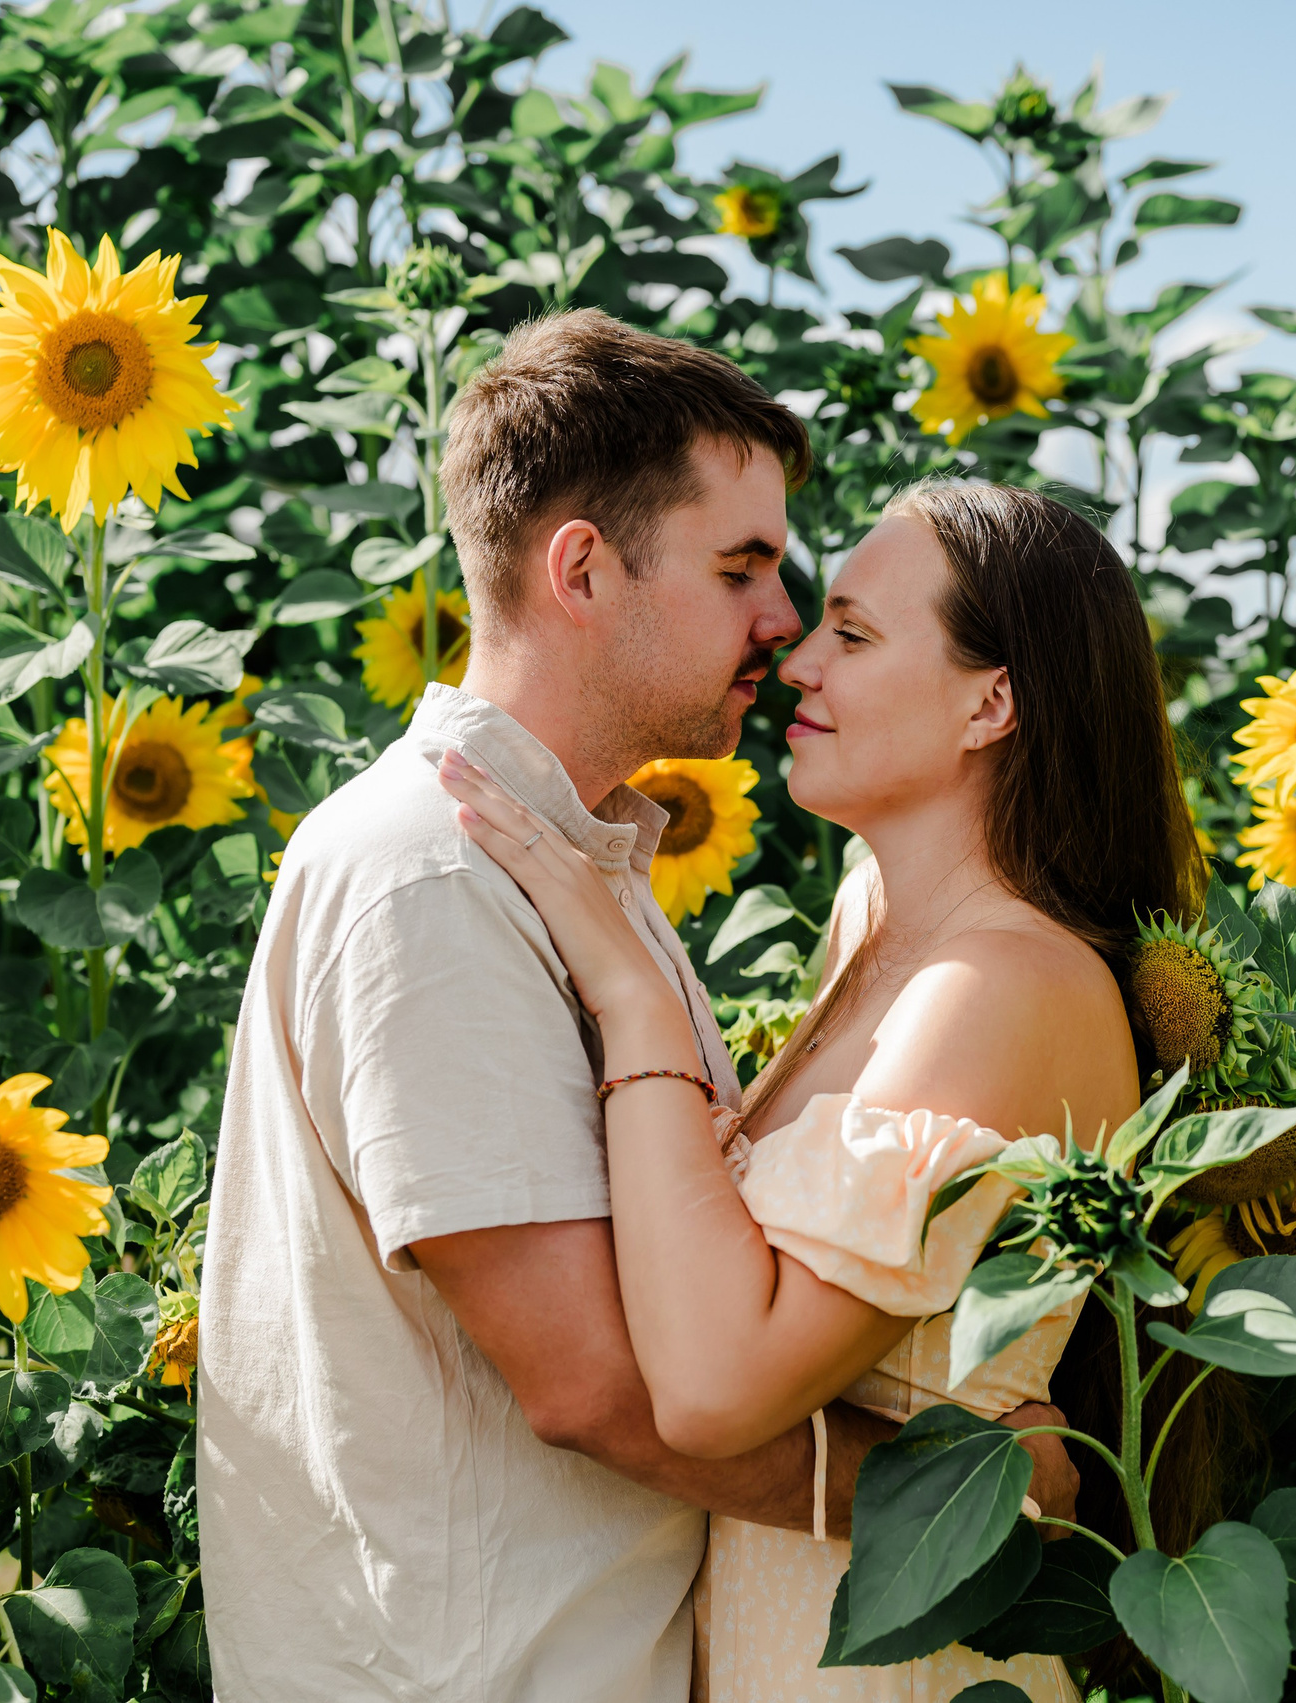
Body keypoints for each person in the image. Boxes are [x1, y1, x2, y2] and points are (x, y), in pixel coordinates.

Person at [198, 312, 1075, 1703]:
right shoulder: (432, 874)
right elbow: (596, 1387)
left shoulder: (570, 865)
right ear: (583, 569)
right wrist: (980, 1491)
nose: (781, 622)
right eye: (742, 569)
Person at [435, 479, 1203, 1700]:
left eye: (852, 633)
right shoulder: (873, 924)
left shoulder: (998, 985)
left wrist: (631, 998)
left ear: (991, 700)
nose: (797, 661)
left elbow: (709, 1388)